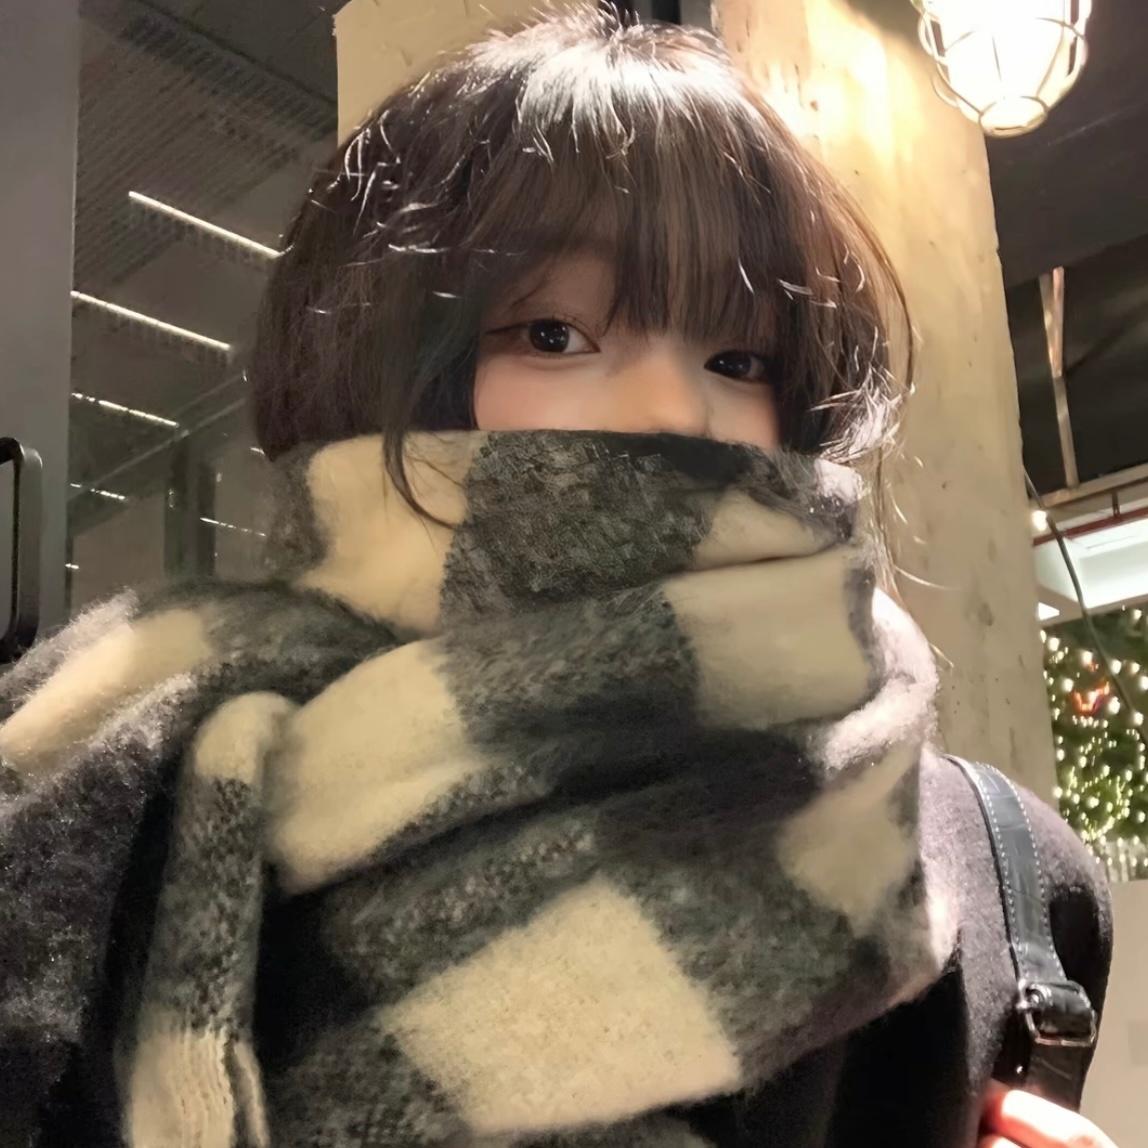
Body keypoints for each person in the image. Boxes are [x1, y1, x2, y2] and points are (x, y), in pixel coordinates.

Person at [0, 10, 1116, 1148]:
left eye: (739, 358)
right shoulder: (123, 767)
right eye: (550, 334)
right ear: (371, 363)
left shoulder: (1002, 865)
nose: (673, 412)